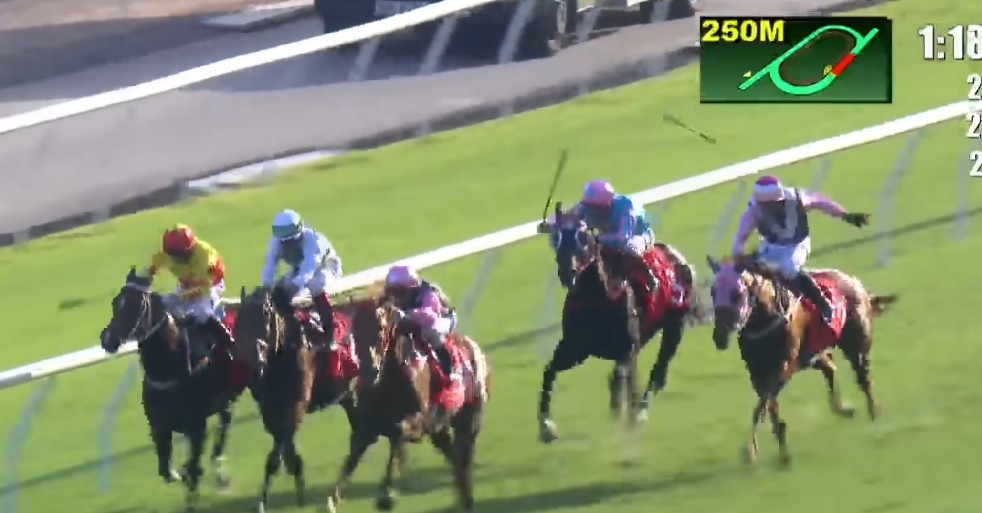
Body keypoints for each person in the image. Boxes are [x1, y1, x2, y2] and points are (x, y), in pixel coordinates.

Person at [731, 175, 870, 323]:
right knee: (747, 272)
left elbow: (820, 202)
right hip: (770, 246)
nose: (773, 207)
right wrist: (738, 257)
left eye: (776, 203)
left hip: (796, 244)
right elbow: (740, 237)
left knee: (789, 267)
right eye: (769, 205)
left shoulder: (796, 198)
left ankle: (823, 304)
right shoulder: (753, 211)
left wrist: (845, 215)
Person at [538, 179, 695, 293]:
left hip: (638, 234)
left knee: (630, 248)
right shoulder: (588, 205)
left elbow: (622, 237)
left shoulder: (625, 207)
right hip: (608, 236)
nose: (590, 212)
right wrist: (550, 224)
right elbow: (568, 217)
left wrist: (597, 238)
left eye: (595, 209)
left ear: (606, 205)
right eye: (588, 207)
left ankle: (649, 276)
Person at [140, 224, 234, 351]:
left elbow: (204, 286)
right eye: (176, 255)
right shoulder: (164, 255)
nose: (180, 258)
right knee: (167, 310)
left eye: (183, 254)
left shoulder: (204, 255)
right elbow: (148, 271)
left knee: (202, 313)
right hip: (186, 284)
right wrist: (140, 283)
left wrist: (182, 297)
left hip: (211, 283)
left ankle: (229, 343)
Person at [260, 209, 343, 346]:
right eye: (284, 242)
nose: (288, 244)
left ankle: (330, 333)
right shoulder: (275, 242)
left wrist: (294, 287)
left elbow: (308, 270)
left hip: (326, 267)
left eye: (291, 240)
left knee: (314, 284)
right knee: (279, 290)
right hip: (299, 268)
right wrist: (266, 289)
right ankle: (293, 324)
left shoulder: (313, 241)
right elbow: (269, 267)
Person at [383, 265, 457, 378]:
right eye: (391, 293)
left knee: (431, 330)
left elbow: (429, 316)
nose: (394, 298)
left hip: (443, 319)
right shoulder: (393, 300)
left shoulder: (428, 294)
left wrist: (407, 314)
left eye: (399, 293)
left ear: (412, 290)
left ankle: (447, 365)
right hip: (416, 320)